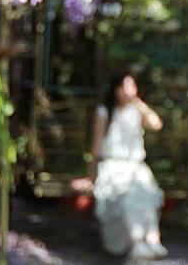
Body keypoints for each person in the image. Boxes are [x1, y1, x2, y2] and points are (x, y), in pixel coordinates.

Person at [73, 71, 168, 260]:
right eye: (127, 86)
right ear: (116, 90)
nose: (131, 90)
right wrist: (91, 176)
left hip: (137, 168)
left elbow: (157, 124)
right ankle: (136, 243)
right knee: (127, 197)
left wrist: (139, 103)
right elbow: (96, 146)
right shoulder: (104, 112)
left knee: (146, 197)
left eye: (133, 86)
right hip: (112, 169)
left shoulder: (137, 110)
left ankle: (153, 241)